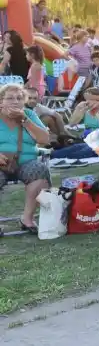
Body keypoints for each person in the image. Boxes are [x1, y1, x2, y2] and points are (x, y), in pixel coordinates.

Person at [0, 83, 51, 234]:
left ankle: (27, 219)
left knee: (39, 171)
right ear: (0, 101)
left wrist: (25, 120)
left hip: (26, 161)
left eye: (19, 98)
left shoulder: (29, 114)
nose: (15, 101)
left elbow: (44, 140)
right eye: (9, 98)